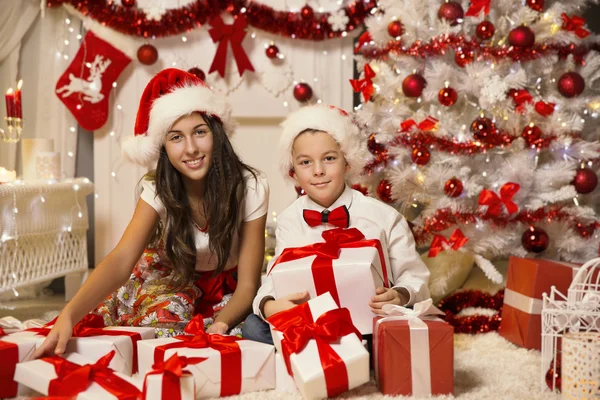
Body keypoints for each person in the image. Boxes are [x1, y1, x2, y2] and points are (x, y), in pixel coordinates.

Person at [34, 68, 269, 357]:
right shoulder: (157, 189)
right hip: (175, 277)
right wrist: (68, 315)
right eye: (176, 138)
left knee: (242, 336)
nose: (191, 148)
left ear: (216, 133)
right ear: (163, 148)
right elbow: (121, 260)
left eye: (199, 132)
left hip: (229, 288)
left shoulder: (251, 187)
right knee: (160, 329)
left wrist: (221, 324)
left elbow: (248, 283)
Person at [242, 104, 430, 344]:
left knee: (411, 323)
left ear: (348, 162)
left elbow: (414, 277)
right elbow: (274, 279)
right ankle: (336, 352)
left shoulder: (383, 217)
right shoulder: (290, 220)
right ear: (294, 172)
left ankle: (351, 352)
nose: (318, 171)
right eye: (305, 163)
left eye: (329, 159)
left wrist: (399, 295)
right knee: (253, 327)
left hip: (368, 322)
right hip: (312, 323)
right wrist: (268, 305)